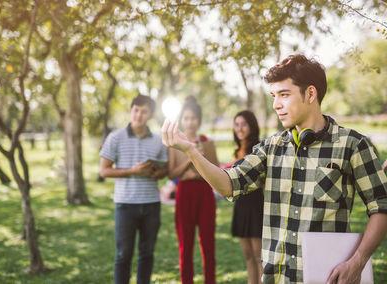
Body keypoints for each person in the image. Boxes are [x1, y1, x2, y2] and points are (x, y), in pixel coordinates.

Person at [161, 54, 387, 284]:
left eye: (284, 95)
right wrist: (191, 151)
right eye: (273, 96)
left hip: (325, 279)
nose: (276, 104)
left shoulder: (353, 145)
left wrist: (358, 261)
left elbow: (381, 206)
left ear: (310, 93)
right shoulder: (270, 148)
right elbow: (228, 185)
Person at [100, 94, 168, 284]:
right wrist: (133, 170)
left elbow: (165, 170)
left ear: (150, 115)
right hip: (125, 205)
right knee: (123, 254)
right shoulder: (115, 137)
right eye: (135, 110)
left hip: (152, 205)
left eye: (143, 111)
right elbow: (104, 171)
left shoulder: (158, 140)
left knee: (147, 254)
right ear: (131, 111)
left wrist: (157, 173)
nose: (138, 115)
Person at [167, 96, 219, 284]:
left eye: (193, 118)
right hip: (185, 193)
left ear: (199, 120)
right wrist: (192, 157)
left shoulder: (207, 142)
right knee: (185, 246)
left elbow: (216, 172)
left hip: (204, 193)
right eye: (186, 118)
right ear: (181, 120)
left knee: (208, 245)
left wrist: (200, 163)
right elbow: (172, 172)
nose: (190, 122)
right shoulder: (175, 144)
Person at [225, 110, 264, 284]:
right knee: (247, 254)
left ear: (251, 126)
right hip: (240, 205)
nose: (239, 129)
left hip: (255, 205)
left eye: (243, 124)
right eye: (236, 124)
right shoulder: (237, 150)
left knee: (258, 255)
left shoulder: (258, 149)